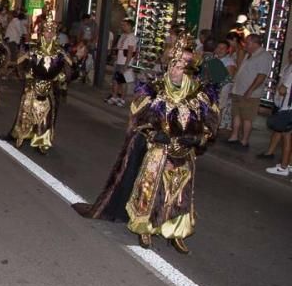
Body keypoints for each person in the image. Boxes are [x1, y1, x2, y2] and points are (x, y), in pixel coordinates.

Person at [74, 34, 218, 254]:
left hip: (184, 153)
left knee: (178, 193)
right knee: (150, 190)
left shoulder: (201, 96)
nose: (176, 70)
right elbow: (139, 117)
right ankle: (145, 227)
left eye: (182, 66)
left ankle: (176, 232)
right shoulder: (154, 90)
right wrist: (152, 133)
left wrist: (199, 138)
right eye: (174, 65)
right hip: (159, 151)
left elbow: (210, 123)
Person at [4, 15, 73, 155]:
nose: (49, 34)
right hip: (33, 86)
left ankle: (42, 141)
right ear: (41, 32)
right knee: (28, 112)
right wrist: (25, 63)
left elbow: (70, 66)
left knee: (46, 115)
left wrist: (63, 74)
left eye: (52, 31)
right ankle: (25, 133)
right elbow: (19, 62)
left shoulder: (59, 51)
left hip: (49, 87)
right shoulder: (34, 49)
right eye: (47, 31)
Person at [227, 34, 273, 149]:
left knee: (247, 117)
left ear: (254, 43)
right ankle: (234, 136)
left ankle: (244, 140)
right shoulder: (248, 55)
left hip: (250, 93)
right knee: (236, 114)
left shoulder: (264, 56)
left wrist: (250, 90)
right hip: (238, 90)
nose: (245, 45)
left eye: (247, 43)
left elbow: (261, 75)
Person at [107, 19, 137, 107]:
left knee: (123, 81)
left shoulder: (132, 37)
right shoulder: (122, 35)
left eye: (124, 25)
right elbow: (119, 48)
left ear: (130, 26)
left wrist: (126, 65)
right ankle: (114, 96)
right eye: (122, 25)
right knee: (116, 80)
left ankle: (122, 99)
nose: (122, 26)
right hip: (119, 61)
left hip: (124, 62)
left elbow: (130, 52)